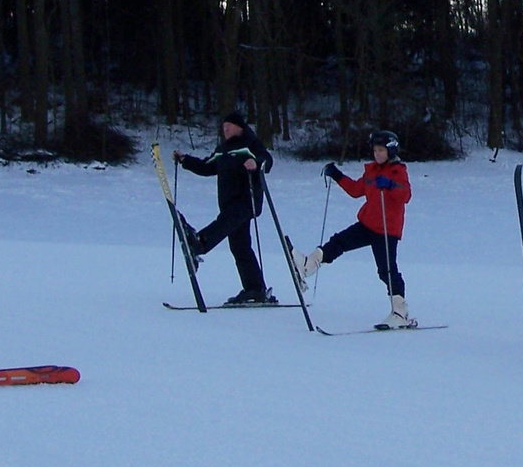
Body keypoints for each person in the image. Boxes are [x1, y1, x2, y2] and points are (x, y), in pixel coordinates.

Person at [292, 130, 416, 329]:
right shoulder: (372, 170)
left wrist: (391, 185)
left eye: (381, 150)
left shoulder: (397, 171)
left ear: (391, 151)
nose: (377, 154)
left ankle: (400, 312)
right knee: (338, 242)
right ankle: (308, 265)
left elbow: (406, 195)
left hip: (387, 230)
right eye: (375, 150)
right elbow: (356, 190)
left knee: (386, 270)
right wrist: (338, 176)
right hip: (367, 224)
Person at [175, 110, 277, 305]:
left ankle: (200, 242)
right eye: (223, 127)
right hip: (228, 202)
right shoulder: (222, 149)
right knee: (240, 247)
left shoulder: (250, 144)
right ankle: (255, 288)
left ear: (240, 126)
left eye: (229, 125)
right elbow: (207, 166)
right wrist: (185, 160)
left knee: (226, 223)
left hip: (247, 200)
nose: (226, 129)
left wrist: (255, 162)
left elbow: (267, 160)